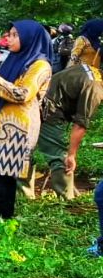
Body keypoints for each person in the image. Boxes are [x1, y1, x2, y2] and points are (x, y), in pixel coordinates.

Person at [0, 20, 53, 221]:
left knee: (4, 178)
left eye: (15, 35)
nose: (10, 38)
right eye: (9, 34)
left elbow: (23, 94)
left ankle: (2, 221)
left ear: (29, 38)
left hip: (19, 128)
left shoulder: (41, 65)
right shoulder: (12, 60)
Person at [35, 62, 103, 199]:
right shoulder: (94, 89)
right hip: (48, 108)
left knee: (27, 149)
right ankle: (67, 199)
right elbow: (80, 125)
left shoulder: (90, 69)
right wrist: (72, 155)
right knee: (61, 157)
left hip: (40, 99)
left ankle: (25, 192)